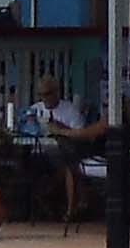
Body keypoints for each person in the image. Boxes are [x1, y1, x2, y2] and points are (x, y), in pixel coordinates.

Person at [31, 73, 106, 221]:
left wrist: (59, 130)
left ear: (56, 91)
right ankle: (48, 199)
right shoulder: (35, 110)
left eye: (47, 94)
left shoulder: (70, 111)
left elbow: (83, 136)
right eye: (40, 95)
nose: (44, 98)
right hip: (40, 153)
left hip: (67, 155)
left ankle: (63, 205)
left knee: (69, 165)